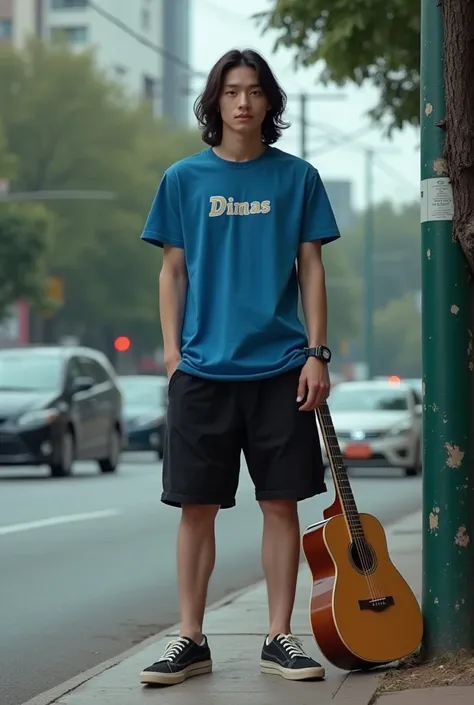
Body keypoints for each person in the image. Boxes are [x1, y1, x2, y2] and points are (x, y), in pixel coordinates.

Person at [139, 48, 340, 687]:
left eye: (254, 91)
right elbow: (172, 271)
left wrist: (315, 352)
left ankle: (279, 636)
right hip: (202, 371)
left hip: (282, 367)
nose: (243, 103)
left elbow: (312, 267)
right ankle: (191, 640)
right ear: (215, 102)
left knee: (281, 506)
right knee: (196, 507)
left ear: (269, 102)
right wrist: (172, 356)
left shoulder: (297, 178)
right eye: (231, 91)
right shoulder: (183, 180)